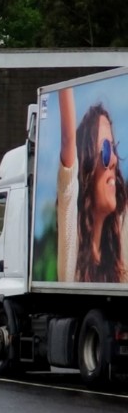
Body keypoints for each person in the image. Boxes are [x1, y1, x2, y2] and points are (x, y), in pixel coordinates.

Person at [56, 88, 128, 283]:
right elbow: (68, 139)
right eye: (105, 149)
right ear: (85, 166)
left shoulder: (118, 252)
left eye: (113, 148)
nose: (113, 159)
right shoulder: (72, 249)